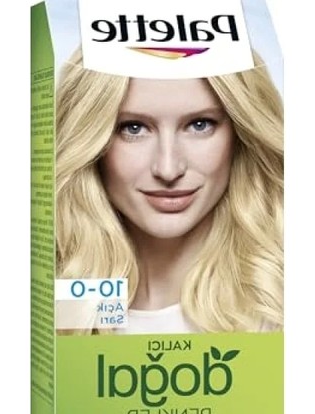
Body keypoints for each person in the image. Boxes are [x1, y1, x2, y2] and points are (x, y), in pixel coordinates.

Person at [55, 48, 283, 334]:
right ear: (91, 142)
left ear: (240, 135)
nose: (168, 169)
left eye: (200, 125)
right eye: (133, 128)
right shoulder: (64, 297)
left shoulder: (276, 299)